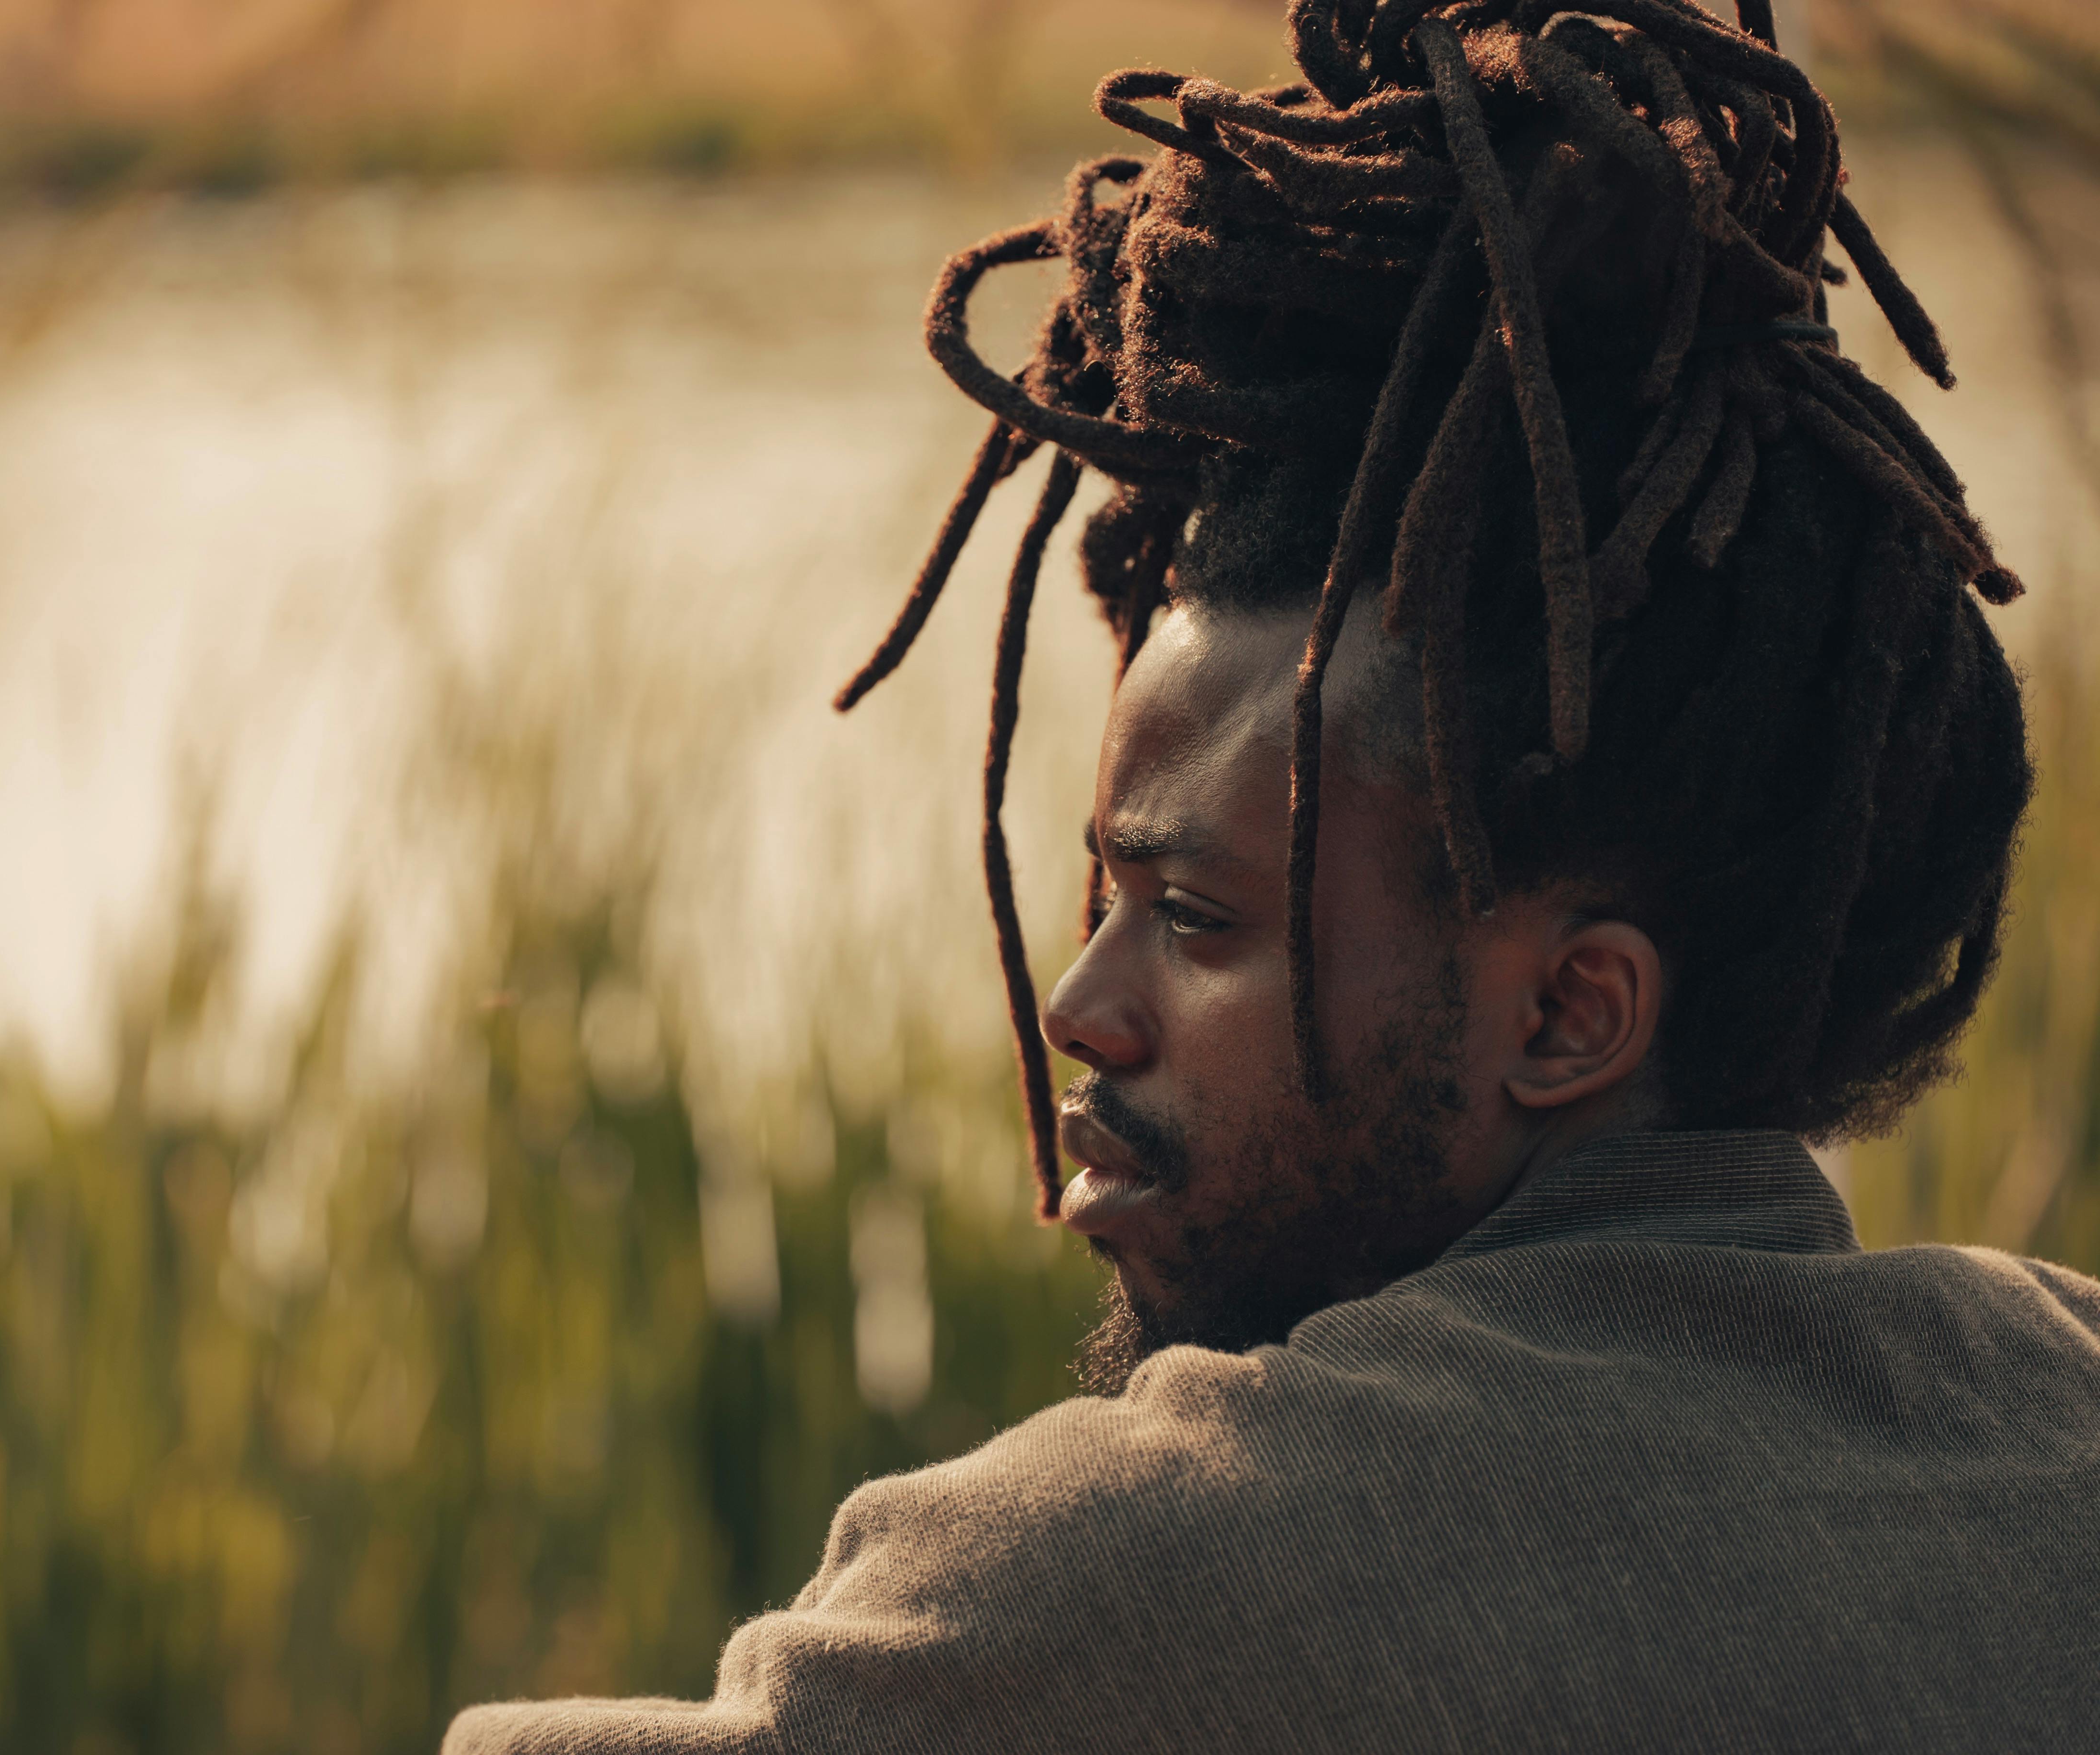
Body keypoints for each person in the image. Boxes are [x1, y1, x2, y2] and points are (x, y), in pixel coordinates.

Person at [446, 0, 2100, 1746]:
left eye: (1199, 920)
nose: (1083, 1008)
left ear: (1569, 1011)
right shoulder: (2065, 1401)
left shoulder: (1117, 1590)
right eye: (1107, 901)